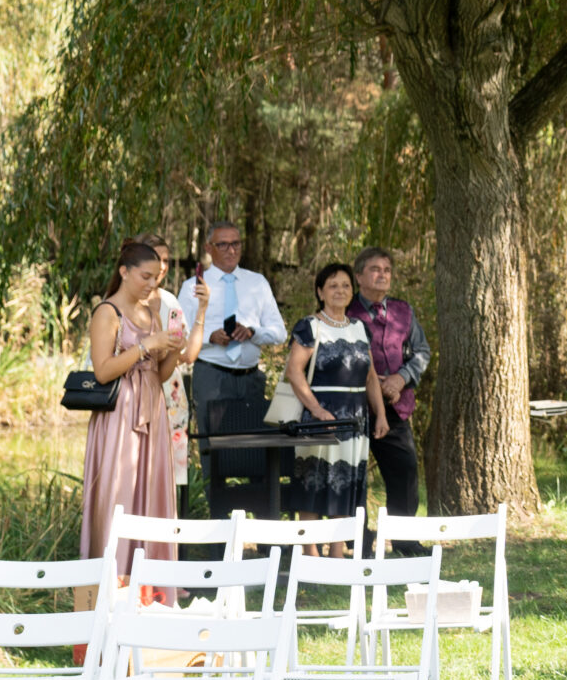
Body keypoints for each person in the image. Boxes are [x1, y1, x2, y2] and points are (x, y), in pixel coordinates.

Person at [80, 236, 193, 595]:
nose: (151, 284)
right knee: (120, 494)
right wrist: (147, 345)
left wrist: (172, 350)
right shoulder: (107, 313)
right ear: (124, 272)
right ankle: (111, 590)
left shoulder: (152, 313)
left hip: (152, 410)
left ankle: (151, 591)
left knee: (151, 494)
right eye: (145, 276)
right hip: (120, 416)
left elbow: (159, 374)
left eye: (155, 277)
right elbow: (102, 371)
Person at [287, 262, 389, 534]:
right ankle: (308, 549)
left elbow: (371, 377)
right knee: (313, 483)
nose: (340, 290)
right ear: (320, 292)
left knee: (346, 485)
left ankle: (336, 550)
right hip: (320, 416)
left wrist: (380, 414)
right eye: (333, 285)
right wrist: (317, 410)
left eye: (345, 285)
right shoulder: (309, 326)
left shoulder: (360, 328)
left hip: (355, 418)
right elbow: (294, 371)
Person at [347, 248, 431, 520]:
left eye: (387, 270)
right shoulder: (345, 311)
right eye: (375, 269)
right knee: (353, 478)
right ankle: (357, 538)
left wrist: (400, 379)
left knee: (405, 472)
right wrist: (370, 382)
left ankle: (404, 538)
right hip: (354, 409)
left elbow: (422, 352)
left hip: (395, 407)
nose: (382, 275)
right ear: (359, 276)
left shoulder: (403, 310)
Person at [177, 221, 286, 419]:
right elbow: (180, 337)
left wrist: (252, 332)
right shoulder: (193, 287)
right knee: (213, 437)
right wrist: (210, 337)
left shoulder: (257, 282)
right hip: (211, 377)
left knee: (250, 437)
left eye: (236, 243)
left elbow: (280, 333)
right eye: (223, 245)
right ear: (208, 248)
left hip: (250, 378)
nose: (231, 250)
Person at [148, 236, 212, 499]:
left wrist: (202, 309)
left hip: (172, 397)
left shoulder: (170, 301)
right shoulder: (122, 302)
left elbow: (188, 356)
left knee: (169, 481)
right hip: (140, 394)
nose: (162, 266)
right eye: (156, 259)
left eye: (165, 260)